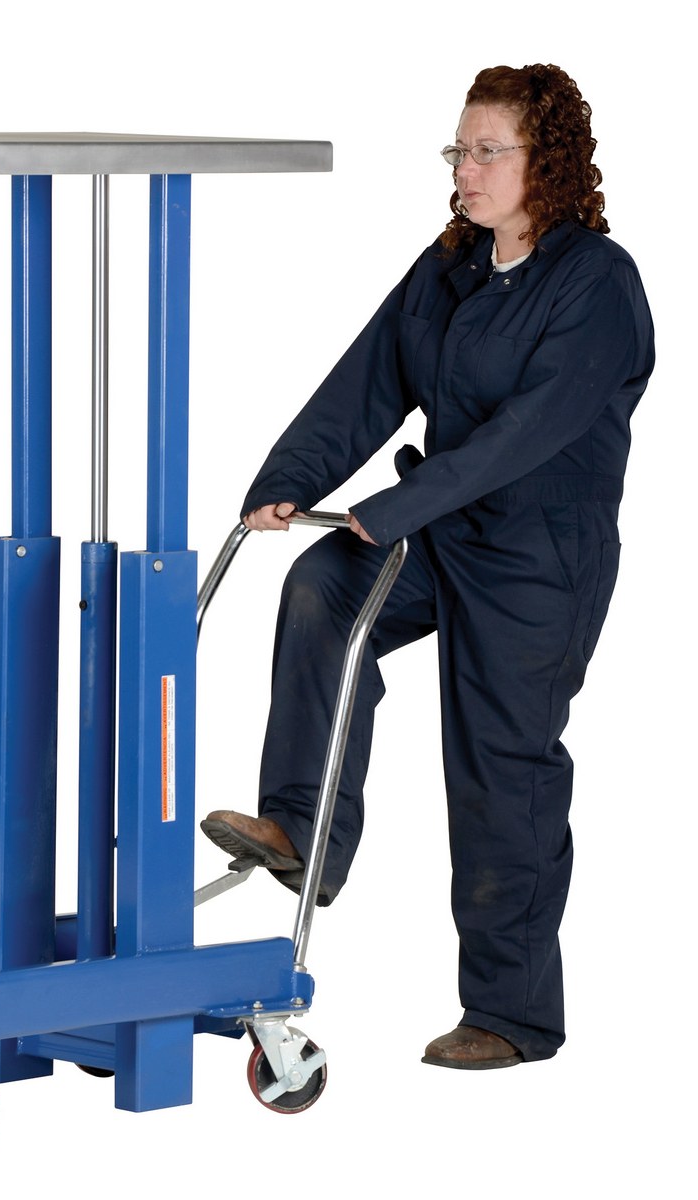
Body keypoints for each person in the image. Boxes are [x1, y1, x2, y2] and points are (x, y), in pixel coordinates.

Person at [201, 64, 654, 1069]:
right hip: (444, 532)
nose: (465, 171)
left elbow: (525, 434)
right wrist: (288, 480)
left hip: (539, 554)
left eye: (488, 151)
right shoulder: (451, 264)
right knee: (324, 585)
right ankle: (303, 831)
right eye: (459, 150)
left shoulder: (597, 284)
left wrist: (395, 507)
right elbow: (368, 379)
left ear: (547, 161)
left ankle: (510, 1016)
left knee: (499, 767)